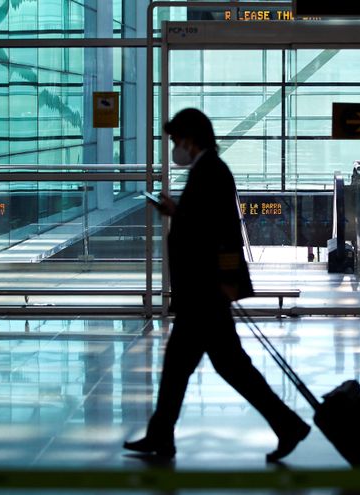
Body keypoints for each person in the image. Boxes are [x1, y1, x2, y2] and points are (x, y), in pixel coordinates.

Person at [124, 108, 310, 461]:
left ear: (191, 139)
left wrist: (226, 280)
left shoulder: (211, 172)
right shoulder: (207, 171)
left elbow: (225, 233)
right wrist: (176, 213)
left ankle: (285, 425)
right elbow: (205, 224)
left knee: (214, 366)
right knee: (211, 365)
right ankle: (162, 435)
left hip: (205, 291)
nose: (175, 148)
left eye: (177, 140)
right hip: (203, 290)